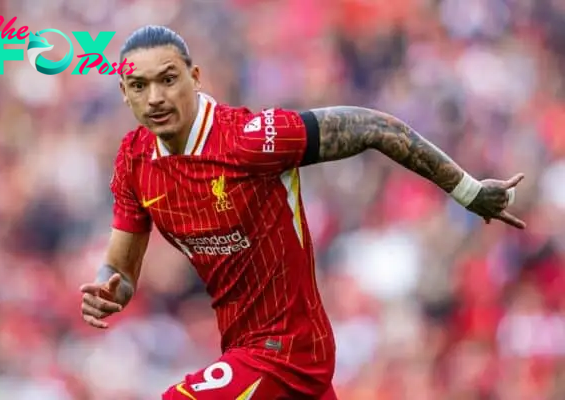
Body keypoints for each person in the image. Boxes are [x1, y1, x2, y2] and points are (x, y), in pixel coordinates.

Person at [79, 25, 525, 400]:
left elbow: (372, 127)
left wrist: (467, 191)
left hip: (290, 349)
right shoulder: (134, 161)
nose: (155, 97)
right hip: (244, 350)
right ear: (124, 93)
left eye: (168, 79)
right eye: (140, 86)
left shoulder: (250, 139)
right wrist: (108, 288)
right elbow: (122, 268)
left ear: (195, 77)